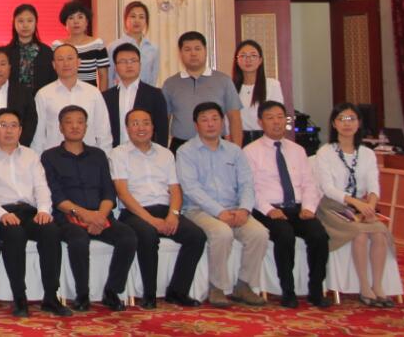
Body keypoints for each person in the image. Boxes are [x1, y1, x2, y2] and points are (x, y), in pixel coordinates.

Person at [41, 105, 136, 312]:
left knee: (128, 237)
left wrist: (99, 216)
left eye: (80, 122)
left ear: (86, 126)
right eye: (69, 122)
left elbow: (109, 192)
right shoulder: (49, 157)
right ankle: (82, 295)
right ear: (60, 127)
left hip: (100, 215)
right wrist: (85, 215)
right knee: (78, 240)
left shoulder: (98, 155)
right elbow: (56, 197)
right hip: (68, 217)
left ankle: (112, 292)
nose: (75, 126)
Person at [110, 109, 205, 310]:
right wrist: (151, 220)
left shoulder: (165, 153)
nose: (141, 127)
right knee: (147, 234)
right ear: (127, 128)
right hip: (134, 212)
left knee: (196, 236)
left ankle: (177, 291)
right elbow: (123, 193)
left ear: (153, 127)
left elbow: (175, 189)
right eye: (135, 123)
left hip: (165, 209)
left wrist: (174, 215)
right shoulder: (118, 154)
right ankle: (149, 294)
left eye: (146, 123)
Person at [175, 102, 268, 307]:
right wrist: (219, 212)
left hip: (234, 209)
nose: (210, 124)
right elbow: (191, 189)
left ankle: (244, 285)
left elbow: (247, 184)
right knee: (222, 233)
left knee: (259, 233)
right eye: (204, 120)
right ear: (196, 125)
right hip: (199, 210)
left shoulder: (235, 151)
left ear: (223, 122)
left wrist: (244, 209)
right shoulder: (186, 152)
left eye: (215, 119)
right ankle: (217, 288)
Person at [0, 108, 70, 318]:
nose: (9, 130)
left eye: (14, 126)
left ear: (20, 130)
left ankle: (51, 296)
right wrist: (2, 214)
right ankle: (20, 297)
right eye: (3, 126)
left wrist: (44, 210)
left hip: (30, 211)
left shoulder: (31, 155)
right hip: (3, 213)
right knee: (15, 234)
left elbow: (41, 187)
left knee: (50, 231)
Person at [243, 100, 329, 308]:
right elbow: (250, 189)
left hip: (297, 208)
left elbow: (309, 183)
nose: (276, 122)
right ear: (260, 122)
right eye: (270, 118)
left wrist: (308, 207)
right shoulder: (250, 151)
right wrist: (269, 210)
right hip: (267, 209)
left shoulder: (297, 150)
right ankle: (288, 291)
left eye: (280, 117)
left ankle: (315, 290)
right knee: (284, 235)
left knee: (319, 235)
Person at [313, 103, 396, 307]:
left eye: (351, 118)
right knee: (359, 234)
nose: (347, 123)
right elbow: (328, 188)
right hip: (333, 207)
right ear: (334, 124)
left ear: (359, 123)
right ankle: (365, 288)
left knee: (379, 233)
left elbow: (374, 184)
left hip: (360, 207)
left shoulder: (367, 153)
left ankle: (378, 287)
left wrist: (370, 206)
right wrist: (354, 202)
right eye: (342, 119)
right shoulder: (326, 152)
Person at [163, 32, 243, 150]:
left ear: (205, 51)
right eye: (187, 49)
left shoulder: (223, 81)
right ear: (180, 54)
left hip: (216, 145)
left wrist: (237, 151)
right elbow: (164, 121)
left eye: (197, 48)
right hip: (181, 146)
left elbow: (234, 118)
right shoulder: (170, 84)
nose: (193, 53)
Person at [31, 44, 112, 153]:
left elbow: (103, 131)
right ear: (54, 65)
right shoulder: (43, 94)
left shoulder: (93, 93)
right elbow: (38, 135)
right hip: (54, 158)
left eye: (70, 58)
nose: (66, 63)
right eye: (60, 59)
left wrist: (104, 158)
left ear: (78, 62)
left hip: (88, 157)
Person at [103, 43, 168, 147]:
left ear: (140, 65)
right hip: (114, 153)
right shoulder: (106, 97)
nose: (129, 65)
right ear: (115, 67)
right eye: (123, 61)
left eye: (133, 61)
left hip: (145, 153)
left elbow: (162, 131)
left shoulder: (155, 94)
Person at [233, 40, 285, 146]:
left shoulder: (272, 85)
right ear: (237, 60)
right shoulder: (230, 87)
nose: (248, 60)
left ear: (260, 60)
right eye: (243, 56)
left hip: (265, 140)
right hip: (238, 140)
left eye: (253, 55)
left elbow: (277, 115)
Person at [51, 0, 108, 90]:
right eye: (71, 18)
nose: (76, 21)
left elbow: (103, 75)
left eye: (80, 17)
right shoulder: (57, 45)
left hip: (89, 94)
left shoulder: (97, 44)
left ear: (87, 22)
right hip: (63, 92)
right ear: (65, 23)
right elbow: (52, 75)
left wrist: (102, 96)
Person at [6, 4, 56, 96]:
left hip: (41, 100)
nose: (25, 25)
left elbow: (53, 81)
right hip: (12, 100)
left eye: (30, 21)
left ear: (36, 22)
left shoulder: (46, 52)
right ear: (14, 23)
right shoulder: (6, 53)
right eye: (20, 21)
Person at [106, 1, 160, 86]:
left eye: (141, 17)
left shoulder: (153, 48)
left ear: (146, 21)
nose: (137, 20)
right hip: (120, 92)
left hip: (145, 92)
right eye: (133, 16)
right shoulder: (113, 47)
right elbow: (109, 77)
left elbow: (153, 78)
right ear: (125, 19)